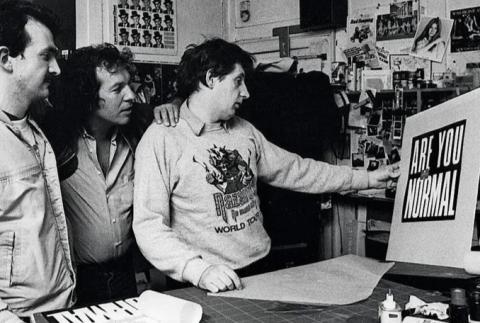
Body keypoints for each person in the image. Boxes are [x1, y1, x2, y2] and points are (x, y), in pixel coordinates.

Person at [133, 38, 400, 293]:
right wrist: (197, 270)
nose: (246, 93)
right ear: (211, 78)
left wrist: (368, 178)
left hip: (261, 267)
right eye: (238, 82)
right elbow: (149, 226)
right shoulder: (162, 139)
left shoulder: (244, 131)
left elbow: (298, 171)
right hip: (202, 281)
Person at [42, 43, 178, 306]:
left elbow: (188, 103)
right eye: (117, 89)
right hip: (78, 281)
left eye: (129, 85)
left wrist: (172, 104)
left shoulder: (138, 125)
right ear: (88, 97)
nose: (130, 96)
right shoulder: (57, 139)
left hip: (127, 274)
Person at [0, 0, 75, 320]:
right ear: (6, 59)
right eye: (46, 56)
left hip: (59, 307)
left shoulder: (36, 129)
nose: (56, 68)